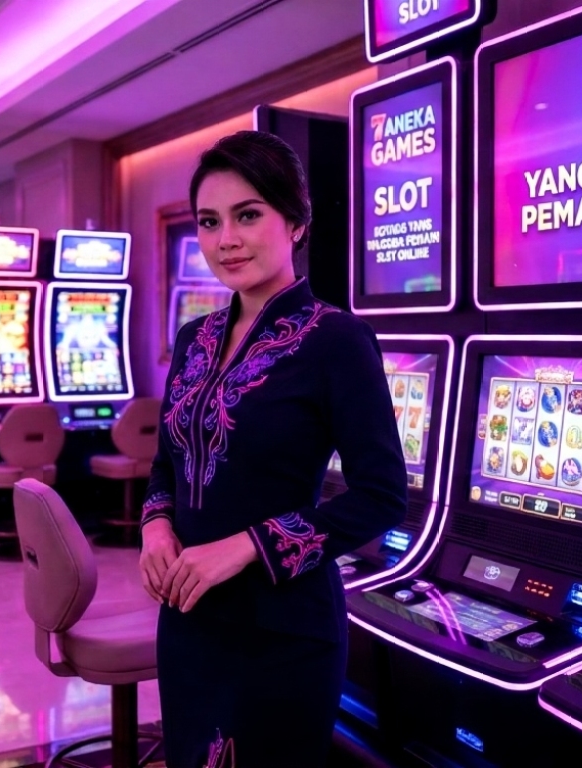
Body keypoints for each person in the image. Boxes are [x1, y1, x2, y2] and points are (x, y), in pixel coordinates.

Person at [138, 130, 407, 767]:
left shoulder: (337, 340)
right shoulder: (194, 338)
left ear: (296, 222)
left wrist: (243, 547)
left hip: (282, 628)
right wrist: (155, 527)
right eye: (210, 221)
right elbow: (167, 462)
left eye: (248, 214)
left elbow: (381, 496)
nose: (226, 239)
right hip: (188, 618)